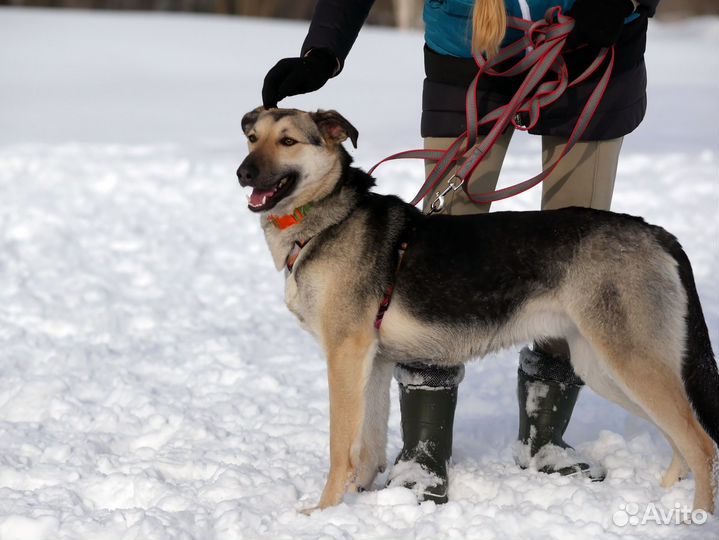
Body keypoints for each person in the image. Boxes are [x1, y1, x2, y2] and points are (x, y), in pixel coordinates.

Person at [262, 0, 661, 504]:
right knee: (438, 247)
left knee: (575, 252)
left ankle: (544, 437)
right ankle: (423, 452)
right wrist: (324, 49)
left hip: (588, 48)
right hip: (467, 53)